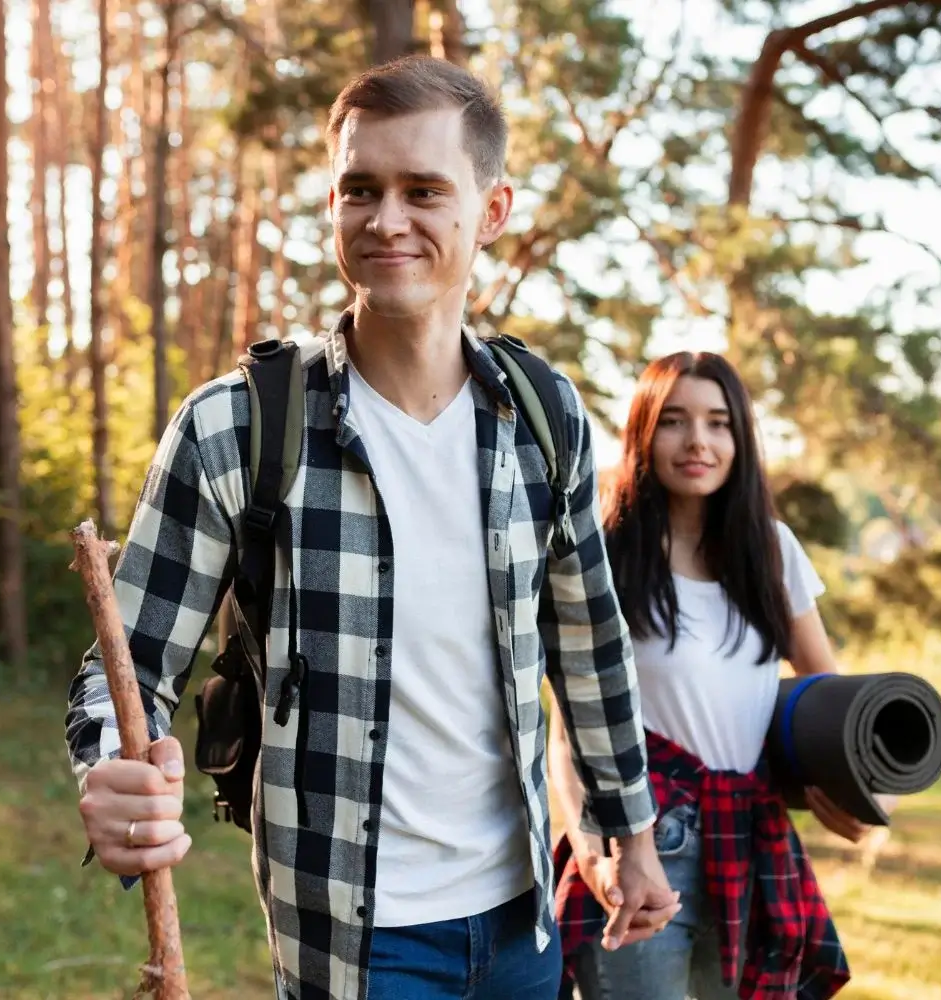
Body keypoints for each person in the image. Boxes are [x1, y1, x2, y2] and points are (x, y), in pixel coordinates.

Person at [65, 56, 681, 1000]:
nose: (387, 220)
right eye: (362, 189)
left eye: (424, 190)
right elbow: (129, 665)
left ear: (494, 210)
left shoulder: (544, 415)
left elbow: (590, 648)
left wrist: (629, 836)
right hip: (354, 942)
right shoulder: (237, 427)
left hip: (524, 918)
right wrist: (110, 769)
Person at [549, 351, 869, 1000]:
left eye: (719, 423)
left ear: (741, 438)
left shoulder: (774, 551)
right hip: (640, 844)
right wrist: (591, 854)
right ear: (643, 431)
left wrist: (864, 799)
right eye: (674, 421)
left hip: (751, 837)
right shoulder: (602, 552)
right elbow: (567, 731)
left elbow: (829, 699)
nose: (698, 441)